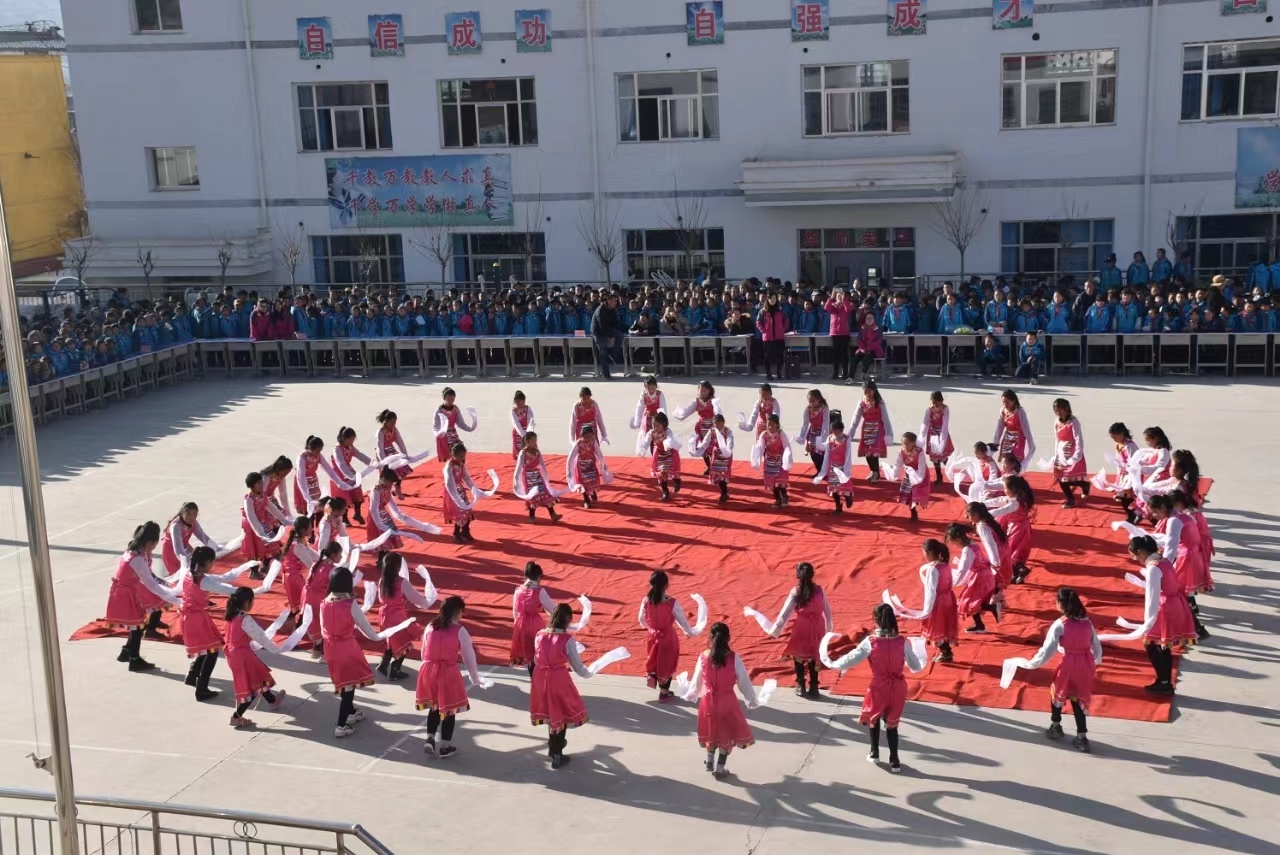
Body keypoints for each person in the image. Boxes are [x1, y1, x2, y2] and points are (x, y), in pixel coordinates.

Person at [825, 604, 925, 773]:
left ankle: (874, 752)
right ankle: (895, 760)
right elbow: (915, 665)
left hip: (879, 686)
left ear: (876, 621)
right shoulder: (902, 642)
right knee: (892, 725)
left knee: (874, 717)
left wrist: (833, 664)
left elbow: (852, 658)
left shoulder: (871, 642)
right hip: (898, 687)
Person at [1004, 588, 1101, 753]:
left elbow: (1047, 650)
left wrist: (1033, 663)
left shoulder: (1060, 624)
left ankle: (1056, 725)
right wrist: (1095, 662)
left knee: (1057, 692)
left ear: (1061, 605)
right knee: (1079, 698)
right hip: (1085, 664)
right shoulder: (1087, 622)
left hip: (1069, 664)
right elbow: (1096, 645)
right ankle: (1082, 736)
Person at [1104, 536, 1197, 695]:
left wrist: (1148, 622)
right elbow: (1162, 585)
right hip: (1174, 603)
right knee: (1163, 645)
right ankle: (1165, 681)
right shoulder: (1165, 561)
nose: (1134, 558)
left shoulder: (1153, 568)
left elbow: (1152, 597)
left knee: (1151, 644)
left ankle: (1163, 680)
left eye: (1134, 555)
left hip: (1163, 608)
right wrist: (1139, 582)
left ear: (1140, 551)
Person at [322, 567, 409, 738]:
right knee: (349, 685)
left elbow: (323, 627)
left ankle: (352, 712)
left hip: (330, 647)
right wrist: (382, 635)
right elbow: (367, 630)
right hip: (346, 647)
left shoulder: (324, 601)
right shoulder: (349, 603)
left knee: (346, 682)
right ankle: (340, 724)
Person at [179, 547, 262, 701]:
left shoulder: (188, 574)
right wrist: (247, 593)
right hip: (196, 619)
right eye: (212, 561)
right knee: (211, 651)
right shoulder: (203, 580)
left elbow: (221, 581)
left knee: (207, 648)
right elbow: (225, 589)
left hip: (190, 617)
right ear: (208, 562)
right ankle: (201, 689)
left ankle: (192, 675)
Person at [685, 622, 762, 779]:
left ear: (710, 637)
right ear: (728, 638)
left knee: (712, 731)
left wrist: (691, 694)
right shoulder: (733, 658)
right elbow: (744, 682)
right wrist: (752, 700)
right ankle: (720, 769)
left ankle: (709, 760)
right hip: (727, 702)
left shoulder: (703, 657)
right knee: (725, 735)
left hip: (707, 702)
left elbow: (696, 681)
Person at [415, 595, 486, 758]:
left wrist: (427, 668)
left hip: (429, 669)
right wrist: (475, 678)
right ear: (459, 612)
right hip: (448, 671)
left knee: (434, 706)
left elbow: (423, 651)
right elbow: (469, 657)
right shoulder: (460, 631)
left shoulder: (430, 626)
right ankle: (445, 746)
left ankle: (430, 738)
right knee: (449, 709)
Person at [105, 522, 179, 671]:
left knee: (137, 625)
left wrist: (165, 583)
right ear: (150, 542)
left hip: (129, 590)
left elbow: (150, 576)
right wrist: (174, 598)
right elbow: (151, 583)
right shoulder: (137, 559)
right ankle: (134, 659)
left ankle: (127, 652)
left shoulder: (136, 551)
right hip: (126, 594)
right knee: (138, 626)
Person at [531, 604, 597, 769]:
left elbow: (536, 659)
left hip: (540, 678)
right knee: (560, 714)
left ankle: (553, 747)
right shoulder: (567, 640)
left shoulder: (539, 634)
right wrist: (589, 672)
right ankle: (557, 753)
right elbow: (577, 666)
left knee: (550, 713)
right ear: (567, 619)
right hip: (558, 679)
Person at [223, 586, 296, 729]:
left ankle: (272, 700)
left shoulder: (231, 616)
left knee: (258, 678)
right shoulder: (245, 619)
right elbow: (261, 637)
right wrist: (276, 648)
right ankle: (236, 717)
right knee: (250, 687)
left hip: (233, 654)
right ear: (247, 602)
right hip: (242, 655)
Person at [756, 562, 832, 698]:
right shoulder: (819, 590)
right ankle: (814, 686)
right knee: (814, 654)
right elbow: (827, 611)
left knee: (798, 655)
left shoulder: (796, 591)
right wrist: (829, 630)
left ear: (798, 575)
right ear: (812, 574)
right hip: (817, 626)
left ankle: (800, 685)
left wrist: (775, 630)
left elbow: (785, 613)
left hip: (801, 626)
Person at [889, 539, 959, 663]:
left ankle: (945, 651)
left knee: (936, 627)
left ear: (929, 553)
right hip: (948, 598)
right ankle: (946, 650)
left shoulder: (933, 569)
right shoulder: (946, 565)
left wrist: (927, 610)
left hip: (938, 602)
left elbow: (931, 590)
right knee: (945, 625)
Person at [638, 570, 699, 702]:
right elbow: (681, 619)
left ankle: (652, 677)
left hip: (652, 636)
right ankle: (664, 691)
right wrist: (688, 631)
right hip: (667, 636)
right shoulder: (671, 602)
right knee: (667, 662)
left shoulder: (646, 601)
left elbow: (641, 619)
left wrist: (651, 628)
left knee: (653, 658)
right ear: (666, 585)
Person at [375, 552, 438, 680]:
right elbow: (415, 598)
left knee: (392, 641)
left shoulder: (382, 580)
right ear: (398, 567)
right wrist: (426, 602)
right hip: (397, 617)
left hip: (383, 615)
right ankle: (394, 670)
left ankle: (384, 663)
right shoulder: (401, 582)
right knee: (405, 643)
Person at [294, 435, 359, 516]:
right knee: (308, 509)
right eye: (317, 451)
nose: (318, 453)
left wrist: (340, 483)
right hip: (302, 483)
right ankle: (309, 526)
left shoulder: (319, 456)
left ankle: (317, 526)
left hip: (313, 481)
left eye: (320, 451)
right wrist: (307, 497)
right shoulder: (302, 458)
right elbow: (301, 478)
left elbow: (329, 470)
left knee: (318, 507)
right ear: (311, 448)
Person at [443, 442, 494, 543]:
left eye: (463, 456)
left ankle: (465, 531)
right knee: (459, 512)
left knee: (468, 510)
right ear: (454, 455)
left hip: (460, 489)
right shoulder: (449, 466)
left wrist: (474, 489)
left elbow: (466, 477)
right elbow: (449, 483)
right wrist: (456, 498)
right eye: (461, 456)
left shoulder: (461, 464)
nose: (463, 458)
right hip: (452, 492)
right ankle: (456, 533)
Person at [511, 561, 556, 673]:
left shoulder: (518, 590)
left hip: (520, 626)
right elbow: (552, 609)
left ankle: (534, 682)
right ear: (539, 576)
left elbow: (515, 612)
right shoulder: (540, 591)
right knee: (538, 655)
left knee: (527, 656)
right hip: (535, 625)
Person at [991, 475, 1037, 584]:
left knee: (1012, 552)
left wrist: (985, 514)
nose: (1004, 490)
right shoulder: (1015, 499)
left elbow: (1001, 510)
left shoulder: (1014, 503)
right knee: (1016, 553)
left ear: (1013, 489)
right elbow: (998, 501)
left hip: (1018, 529)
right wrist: (982, 503)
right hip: (1020, 528)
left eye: (1005, 488)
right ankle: (1019, 574)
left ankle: (1021, 571)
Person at [159, 502, 220, 576]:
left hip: (185, 548)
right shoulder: (176, 526)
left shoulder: (193, 522)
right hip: (171, 553)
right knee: (178, 577)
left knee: (196, 570)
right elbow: (178, 549)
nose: (191, 517)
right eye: (188, 513)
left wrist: (216, 548)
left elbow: (203, 537)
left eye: (194, 514)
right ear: (182, 513)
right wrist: (186, 563)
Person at [241, 471, 289, 565]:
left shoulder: (262, 495)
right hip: (251, 526)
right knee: (254, 548)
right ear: (252, 486)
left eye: (261, 482)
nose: (262, 484)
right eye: (258, 483)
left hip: (260, 522)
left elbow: (271, 508)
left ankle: (265, 567)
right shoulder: (249, 499)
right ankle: (254, 571)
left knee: (271, 544)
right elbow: (252, 518)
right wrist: (261, 534)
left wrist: (283, 519)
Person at [674, 381, 721, 476]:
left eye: (705, 391)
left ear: (709, 391)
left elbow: (718, 413)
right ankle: (709, 466)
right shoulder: (696, 402)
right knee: (702, 448)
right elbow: (687, 412)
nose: (703, 393)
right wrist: (678, 414)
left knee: (712, 448)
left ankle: (714, 467)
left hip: (712, 426)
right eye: (701, 391)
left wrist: (719, 425)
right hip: (702, 427)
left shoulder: (714, 401)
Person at [514, 431, 563, 521]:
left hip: (537, 475)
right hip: (528, 477)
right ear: (527, 441)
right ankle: (531, 516)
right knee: (533, 495)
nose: (535, 442)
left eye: (536, 440)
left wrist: (546, 475)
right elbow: (519, 467)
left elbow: (542, 464)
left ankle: (553, 514)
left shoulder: (537, 452)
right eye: (533, 440)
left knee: (544, 493)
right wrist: (516, 480)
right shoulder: (523, 453)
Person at [1051, 398, 1090, 507]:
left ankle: (1080, 488)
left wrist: (1077, 455)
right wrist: (1056, 455)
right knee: (1061, 478)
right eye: (1055, 410)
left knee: (1067, 478)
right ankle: (1078, 491)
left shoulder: (1073, 421)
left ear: (1066, 409)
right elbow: (1057, 439)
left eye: (1059, 410)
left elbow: (1078, 438)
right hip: (1061, 452)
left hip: (1072, 452)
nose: (1057, 413)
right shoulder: (1057, 421)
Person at [851, 379, 893, 482]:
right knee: (867, 452)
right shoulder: (862, 402)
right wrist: (850, 433)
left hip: (878, 428)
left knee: (873, 451)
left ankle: (876, 473)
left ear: (874, 390)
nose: (867, 393)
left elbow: (886, 419)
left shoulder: (879, 402)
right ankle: (873, 471)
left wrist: (889, 434)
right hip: (866, 429)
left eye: (869, 391)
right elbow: (855, 419)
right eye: (865, 391)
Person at [813, 416, 855, 514]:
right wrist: (818, 442)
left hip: (842, 467)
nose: (834, 433)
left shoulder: (846, 440)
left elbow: (848, 455)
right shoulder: (830, 438)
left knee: (843, 486)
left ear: (841, 430)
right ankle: (838, 506)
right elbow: (825, 448)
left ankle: (848, 496)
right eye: (832, 431)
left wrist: (846, 469)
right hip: (832, 467)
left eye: (835, 431)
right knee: (834, 489)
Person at [330, 427, 371, 524]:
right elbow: (340, 464)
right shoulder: (337, 449)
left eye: (353, 439)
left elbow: (360, 456)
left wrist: (372, 463)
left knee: (357, 489)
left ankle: (357, 513)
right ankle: (344, 518)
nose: (352, 441)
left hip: (348, 470)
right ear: (344, 438)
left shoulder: (350, 446)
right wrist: (350, 476)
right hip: (338, 473)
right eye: (351, 439)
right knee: (344, 496)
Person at [752, 412, 794, 508]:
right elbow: (761, 446)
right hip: (769, 461)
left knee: (780, 481)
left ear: (777, 425)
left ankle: (785, 498)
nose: (770, 427)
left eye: (772, 424)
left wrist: (787, 458)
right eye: (768, 424)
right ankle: (777, 499)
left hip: (780, 460)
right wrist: (756, 455)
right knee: (772, 482)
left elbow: (787, 446)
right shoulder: (764, 435)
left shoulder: (781, 434)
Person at [694, 413, 735, 504]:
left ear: (723, 422)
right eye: (716, 423)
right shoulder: (712, 431)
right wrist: (698, 451)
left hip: (725, 456)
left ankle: (724, 493)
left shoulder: (728, 431)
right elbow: (705, 443)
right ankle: (724, 492)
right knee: (717, 475)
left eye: (720, 423)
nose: (718, 425)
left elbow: (730, 442)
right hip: (716, 456)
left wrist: (727, 451)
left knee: (723, 475)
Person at [891, 432, 930, 522]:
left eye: (907, 442)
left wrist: (918, 478)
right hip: (909, 474)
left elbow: (921, 466)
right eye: (903, 442)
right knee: (909, 494)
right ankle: (913, 512)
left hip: (920, 474)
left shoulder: (919, 452)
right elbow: (898, 464)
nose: (905, 445)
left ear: (913, 442)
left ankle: (918, 504)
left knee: (917, 493)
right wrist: (894, 474)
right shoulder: (902, 451)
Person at [643, 411, 683, 501]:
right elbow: (646, 441)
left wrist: (667, 443)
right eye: (653, 425)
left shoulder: (668, 431)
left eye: (657, 425)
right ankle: (665, 492)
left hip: (670, 454)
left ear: (664, 424)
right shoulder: (651, 432)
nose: (655, 427)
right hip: (660, 454)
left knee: (672, 472)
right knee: (661, 474)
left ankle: (677, 481)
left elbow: (670, 438)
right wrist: (643, 449)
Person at [993, 389, 1036, 468]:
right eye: (1003, 402)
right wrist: (995, 443)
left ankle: (1015, 477)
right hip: (1007, 438)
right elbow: (999, 428)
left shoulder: (1020, 411)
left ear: (1013, 401)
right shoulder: (1003, 410)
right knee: (1005, 463)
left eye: (1007, 402)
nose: (1005, 404)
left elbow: (1026, 429)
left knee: (1014, 462)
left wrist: (1031, 445)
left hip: (1018, 439)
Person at [433, 388, 478, 463]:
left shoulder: (455, 409)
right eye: (449, 399)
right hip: (443, 436)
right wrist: (438, 434)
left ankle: (461, 470)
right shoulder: (439, 411)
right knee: (452, 455)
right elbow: (435, 426)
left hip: (453, 434)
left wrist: (470, 428)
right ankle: (451, 472)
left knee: (460, 450)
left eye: (453, 399)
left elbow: (460, 423)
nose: (451, 401)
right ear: (444, 398)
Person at [794, 389, 831, 472]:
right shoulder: (808, 409)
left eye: (813, 401)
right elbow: (805, 423)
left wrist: (824, 437)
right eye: (809, 401)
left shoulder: (824, 408)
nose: (811, 403)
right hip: (812, 432)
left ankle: (824, 470)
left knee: (821, 452)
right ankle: (819, 470)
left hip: (822, 432)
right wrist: (802, 436)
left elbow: (826, 422)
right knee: (812, 451)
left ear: (819, 399)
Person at [920, 391, 953, 484]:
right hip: (933, 434)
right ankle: (939, 476)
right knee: (935, 457)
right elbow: (925, 422)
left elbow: (945, 424)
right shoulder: (929, 409)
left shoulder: (945, 409)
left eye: (936, 402)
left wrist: (943, 438)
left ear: (940, 400)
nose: (934, 404)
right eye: (932, 402)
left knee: (944, 456)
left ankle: (951, 473)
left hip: (942, 433)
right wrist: (921, 436)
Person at [374, 410, 412, 490]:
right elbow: (380, 448)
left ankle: (397, 486)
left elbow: (400, 442)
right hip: (384, 454)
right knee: (387, 474)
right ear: (386, 421)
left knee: (401, 467)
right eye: (391, 422)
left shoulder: (394, 429)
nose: (393, 424)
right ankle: (383, 490)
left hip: (392, 452)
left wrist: (405, 454)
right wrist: (384, 462)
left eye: (395, 422)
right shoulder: (380, 432)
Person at [590, 292, 624, 379]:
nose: (615, 303)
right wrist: (610, 335)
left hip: (608, 329)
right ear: (608, 301)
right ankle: (606, 374)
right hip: (598, 332)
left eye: (616, 301)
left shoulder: (612, 310)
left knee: (620, 335)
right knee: (603, 352)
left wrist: (617, 331)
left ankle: (613, 355)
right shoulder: (601, 310)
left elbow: (615, 322)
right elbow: (602, 325)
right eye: (614, 301)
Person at [629, 376, 666, 453]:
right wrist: (637, 421)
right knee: (647, 439)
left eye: (652, 388)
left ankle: (655, 455)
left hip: (657, 420)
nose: (651, 390)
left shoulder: (660, 394)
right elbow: (639, 407)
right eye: (648, 388)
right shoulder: (644, 395)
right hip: (647, 420)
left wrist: (663, 421)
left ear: (656, 386)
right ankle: (646, 453)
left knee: (657, 439)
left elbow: (663, 408)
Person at [824, 288, 854, 381]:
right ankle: (835, 373)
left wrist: (844, 300)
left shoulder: (847, 304)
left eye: (841, 296)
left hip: (844, 333)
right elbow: (826, 307)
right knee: (835, 354)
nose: (839, 297)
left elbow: (848, 309)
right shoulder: (833, 306)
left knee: (844, 354)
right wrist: (831, 297)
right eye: (838, 296)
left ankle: (845, 373)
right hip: (835, 333)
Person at [850, 312, 886, 384]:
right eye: (867, 318)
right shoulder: (863, 328)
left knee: (867, 357)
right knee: (855, 358)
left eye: (871, 318)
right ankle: (850, 377)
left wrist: (866, 349)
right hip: (863, 349)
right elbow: (859, 339)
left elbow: (877, 343)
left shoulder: (878, 329)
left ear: (874, 319)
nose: (869, 320)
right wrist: (862, 348)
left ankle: (863, 373)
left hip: (874, 350)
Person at [510, 391, 535, 460]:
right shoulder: (514, 411)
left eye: (523, 402)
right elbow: (516, 423)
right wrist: (523, 435)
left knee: (530, 445)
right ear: (515, 402)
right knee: (519, 448)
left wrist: (529, 432)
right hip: (518, 432)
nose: (521, 405)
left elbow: (531, 420)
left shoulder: (527, 408)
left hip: (527, 430)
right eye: (519, 403)